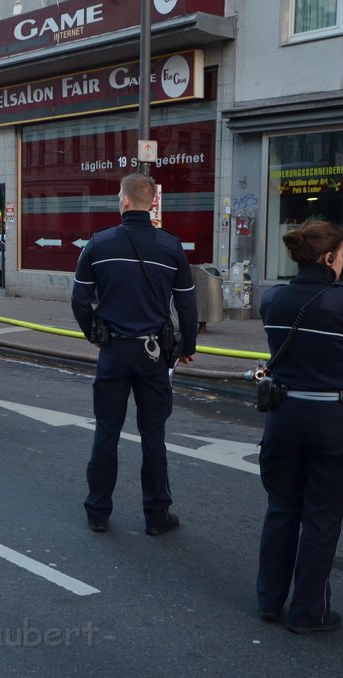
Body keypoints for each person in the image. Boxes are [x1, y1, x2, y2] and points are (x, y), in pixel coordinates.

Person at [255, 220, 343, 634]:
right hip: (334, 421)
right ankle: (308, 612)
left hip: (284, 418)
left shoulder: (273, 299)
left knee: (281, 509)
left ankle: (269, 601)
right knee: (323, 518)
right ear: (328, 258)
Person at [71, 173, 198, 535]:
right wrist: (187, 346)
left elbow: (80, 300)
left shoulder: (99, 244)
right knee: (153, 436)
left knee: (106, 432)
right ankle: (157, 516)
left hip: (113, 351)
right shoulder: (171, 247)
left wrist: (94, 333)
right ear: (152, 202)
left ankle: (98, 511)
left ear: (124, 201)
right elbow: (187, 305)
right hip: (154, 355)